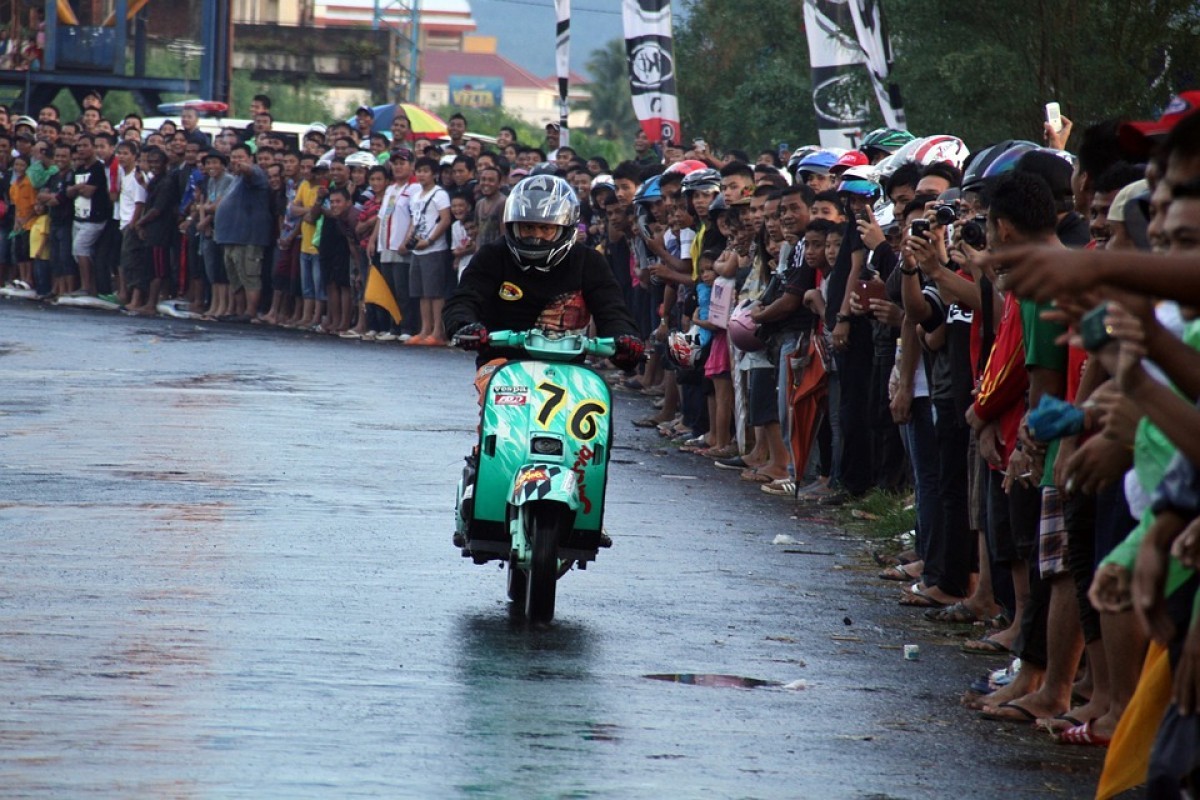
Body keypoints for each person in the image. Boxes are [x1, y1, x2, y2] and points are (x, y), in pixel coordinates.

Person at [443, 174, 643, 372]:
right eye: (528, 228)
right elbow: (465, 298)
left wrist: (624, 339)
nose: (536, 236)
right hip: (501, 365)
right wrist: (465, 324)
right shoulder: (492, 255)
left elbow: (612, 310)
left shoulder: (588, 261)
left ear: (566, 228)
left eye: (546, 229)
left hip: (569, 371)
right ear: (513, 226)